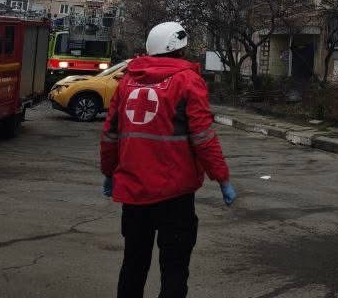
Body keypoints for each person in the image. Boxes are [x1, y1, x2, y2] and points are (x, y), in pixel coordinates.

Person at [101, 21, 236, 298]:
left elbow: (110, 135)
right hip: (175, 196)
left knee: (133, 264)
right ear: (180, 50)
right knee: (174, 268)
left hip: (134, 194)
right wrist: (222, 179)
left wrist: (108, 172)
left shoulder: (127, 82)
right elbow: (204, 138)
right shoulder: (187, 81)